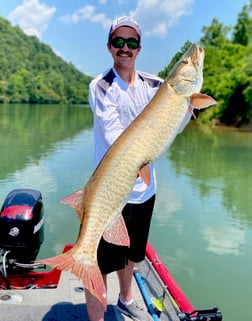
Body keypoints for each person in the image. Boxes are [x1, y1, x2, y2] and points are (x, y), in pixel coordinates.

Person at [88, 16, 192, 321]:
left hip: (145, 191)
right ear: (109, 47)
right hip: (110, 193)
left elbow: (174, 124)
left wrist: (188, 107)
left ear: (139, 48)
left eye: (131, 42)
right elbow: (113, 139)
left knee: (133, 255)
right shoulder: (101, 86)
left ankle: (125, 298)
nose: (125, 47)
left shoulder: (157, 85)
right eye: (118, 41)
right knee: (100, 263)